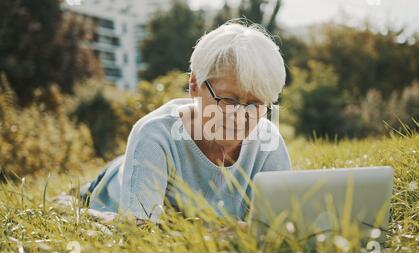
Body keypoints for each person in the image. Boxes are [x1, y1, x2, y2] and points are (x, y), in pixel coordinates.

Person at [80, 20, 292, 223]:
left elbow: (279, 229)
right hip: (111, 184)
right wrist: (228, 231)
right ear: (194, 85)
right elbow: (139, 228)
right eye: (228, 100)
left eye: (255, 104)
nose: (239, 116)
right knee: (78, 203)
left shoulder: (269, 144)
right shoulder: (154, 136)